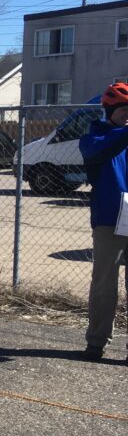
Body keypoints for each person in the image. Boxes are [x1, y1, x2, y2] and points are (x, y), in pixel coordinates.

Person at [80, 82, 128, 364]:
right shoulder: (94, 139)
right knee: (104, 284)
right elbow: (100, 150)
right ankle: (96, 342)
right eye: (123, 110)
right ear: (109, 111)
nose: (127, 115)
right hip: (109, 220)